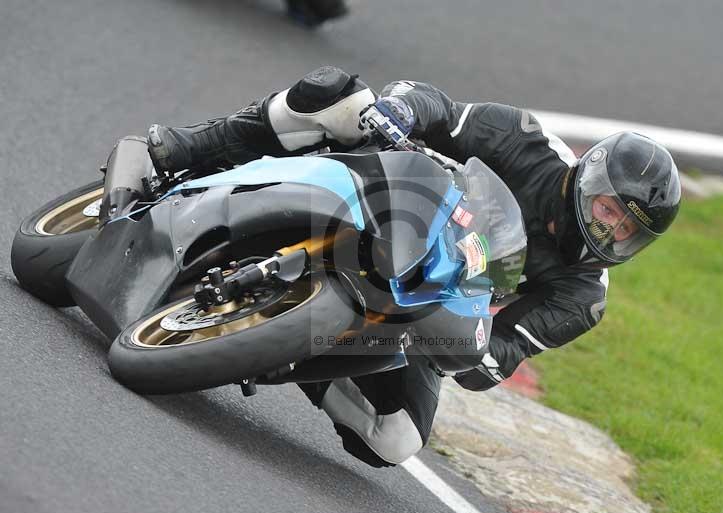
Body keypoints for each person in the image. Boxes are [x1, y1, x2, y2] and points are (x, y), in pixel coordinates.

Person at [146, 66, 681, 467]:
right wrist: (402, 113)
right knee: (342, 95)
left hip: (425, 296)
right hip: (392, 198)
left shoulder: (582, 298)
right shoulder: (528, 140)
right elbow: (438, 107)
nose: (609, 229)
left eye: (627, 230)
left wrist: (463, 344)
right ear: (589, 180)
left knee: (395, 438)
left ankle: (281, 351)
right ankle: (197, 147)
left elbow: (495, 355)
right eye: (609, 209)